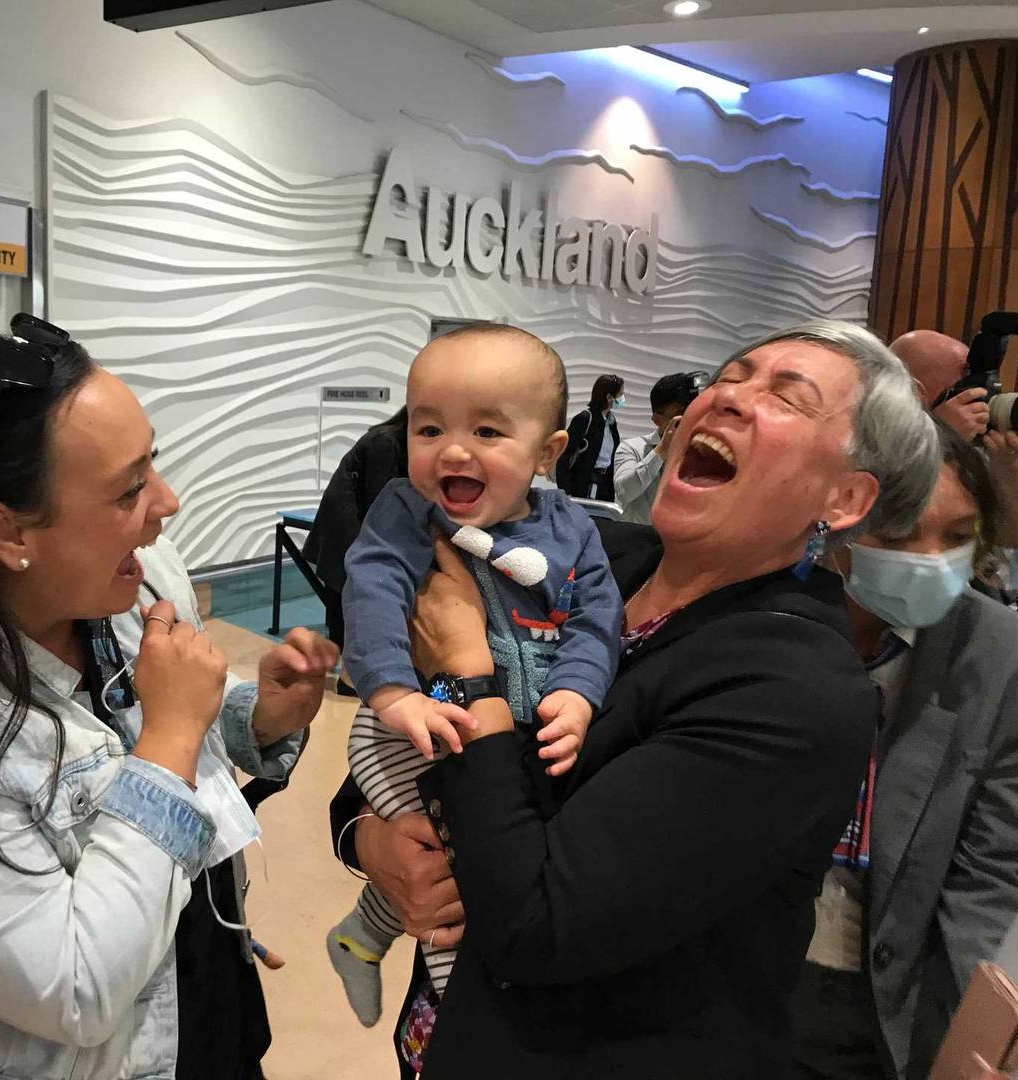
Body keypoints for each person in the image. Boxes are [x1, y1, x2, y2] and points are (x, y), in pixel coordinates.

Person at [331, 319, 942, 1078]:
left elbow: (539, 922)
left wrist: (470, 670)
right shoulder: (594, 560)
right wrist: (372, 843)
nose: (727, 400)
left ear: (844, 497)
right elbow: (392, 750)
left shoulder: (794, 692)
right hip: (452, 1031)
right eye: (732, 374)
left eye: (787, 396)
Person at [0, 325, 337, 1080]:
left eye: (155, 464)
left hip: (204, 1009)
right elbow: (75, 989)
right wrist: (174, 735)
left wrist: (253, 718)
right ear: (8, 530)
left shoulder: (118, 591)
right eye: (128, 490)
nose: (167, 504)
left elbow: (141, 729)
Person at [324, 324, 620, 1028]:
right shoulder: (405, 510)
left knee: (453, 853)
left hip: (502, 738)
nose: (451, 450)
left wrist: (577, 693)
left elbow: (596, 615)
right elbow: (371, 585)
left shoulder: (572, 529)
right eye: (428, 428)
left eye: (487, 431)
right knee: (454, 868)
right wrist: (393, 690)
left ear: (548, 453)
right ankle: (457, 1018)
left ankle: (362, 936)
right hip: (408, 725)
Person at [792, 421, 1018, 1080]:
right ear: (833, 521)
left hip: (886, 1006)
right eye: (898, 535)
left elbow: (992, 882)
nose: (930, 559)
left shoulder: (1007, 659)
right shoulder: (767, 621)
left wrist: (974, 1053)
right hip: (741, 980)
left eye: (956, 537)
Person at [890, 329, 1018, 547]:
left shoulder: (975, 443)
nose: (980, 395)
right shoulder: (870, 445)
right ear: (914, 392)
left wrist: (1008, 468)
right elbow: (887, 528)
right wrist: (940, 439)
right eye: (966, 384)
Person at [302, 406, 408, 653]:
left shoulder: (390, 439)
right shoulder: (386, 440)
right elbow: (378, 498)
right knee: (348, 587)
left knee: (345, 591)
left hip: (350, 520)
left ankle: (346, 655)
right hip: (346, 522)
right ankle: (349, 667)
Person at [612, 371, 700, 525]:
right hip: (639, 541)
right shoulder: (632, 448)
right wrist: (661, 451)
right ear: (656, 419)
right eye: (680, 415)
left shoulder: (697, 453)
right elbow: (624, 492)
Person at [557, 373, 624, 500]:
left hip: (603, 489)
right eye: (620, 395)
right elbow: (564, 455)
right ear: (609, 397)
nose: (622, 399)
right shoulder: (585, 419)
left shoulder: (611, 422)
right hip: (581, 486)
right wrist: (566, 491)